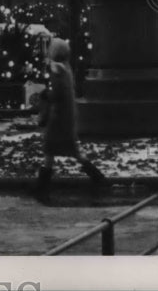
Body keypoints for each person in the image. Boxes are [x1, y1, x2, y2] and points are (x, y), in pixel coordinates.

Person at [32, 38, 107, 203]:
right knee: (68, 151)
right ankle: (98, 178)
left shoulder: (56, 69)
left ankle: (41, 189)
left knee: (52, 151)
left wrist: (45, 95)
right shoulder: (66, 68)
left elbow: (57, 93)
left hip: (59, 118)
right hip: (65, 116)